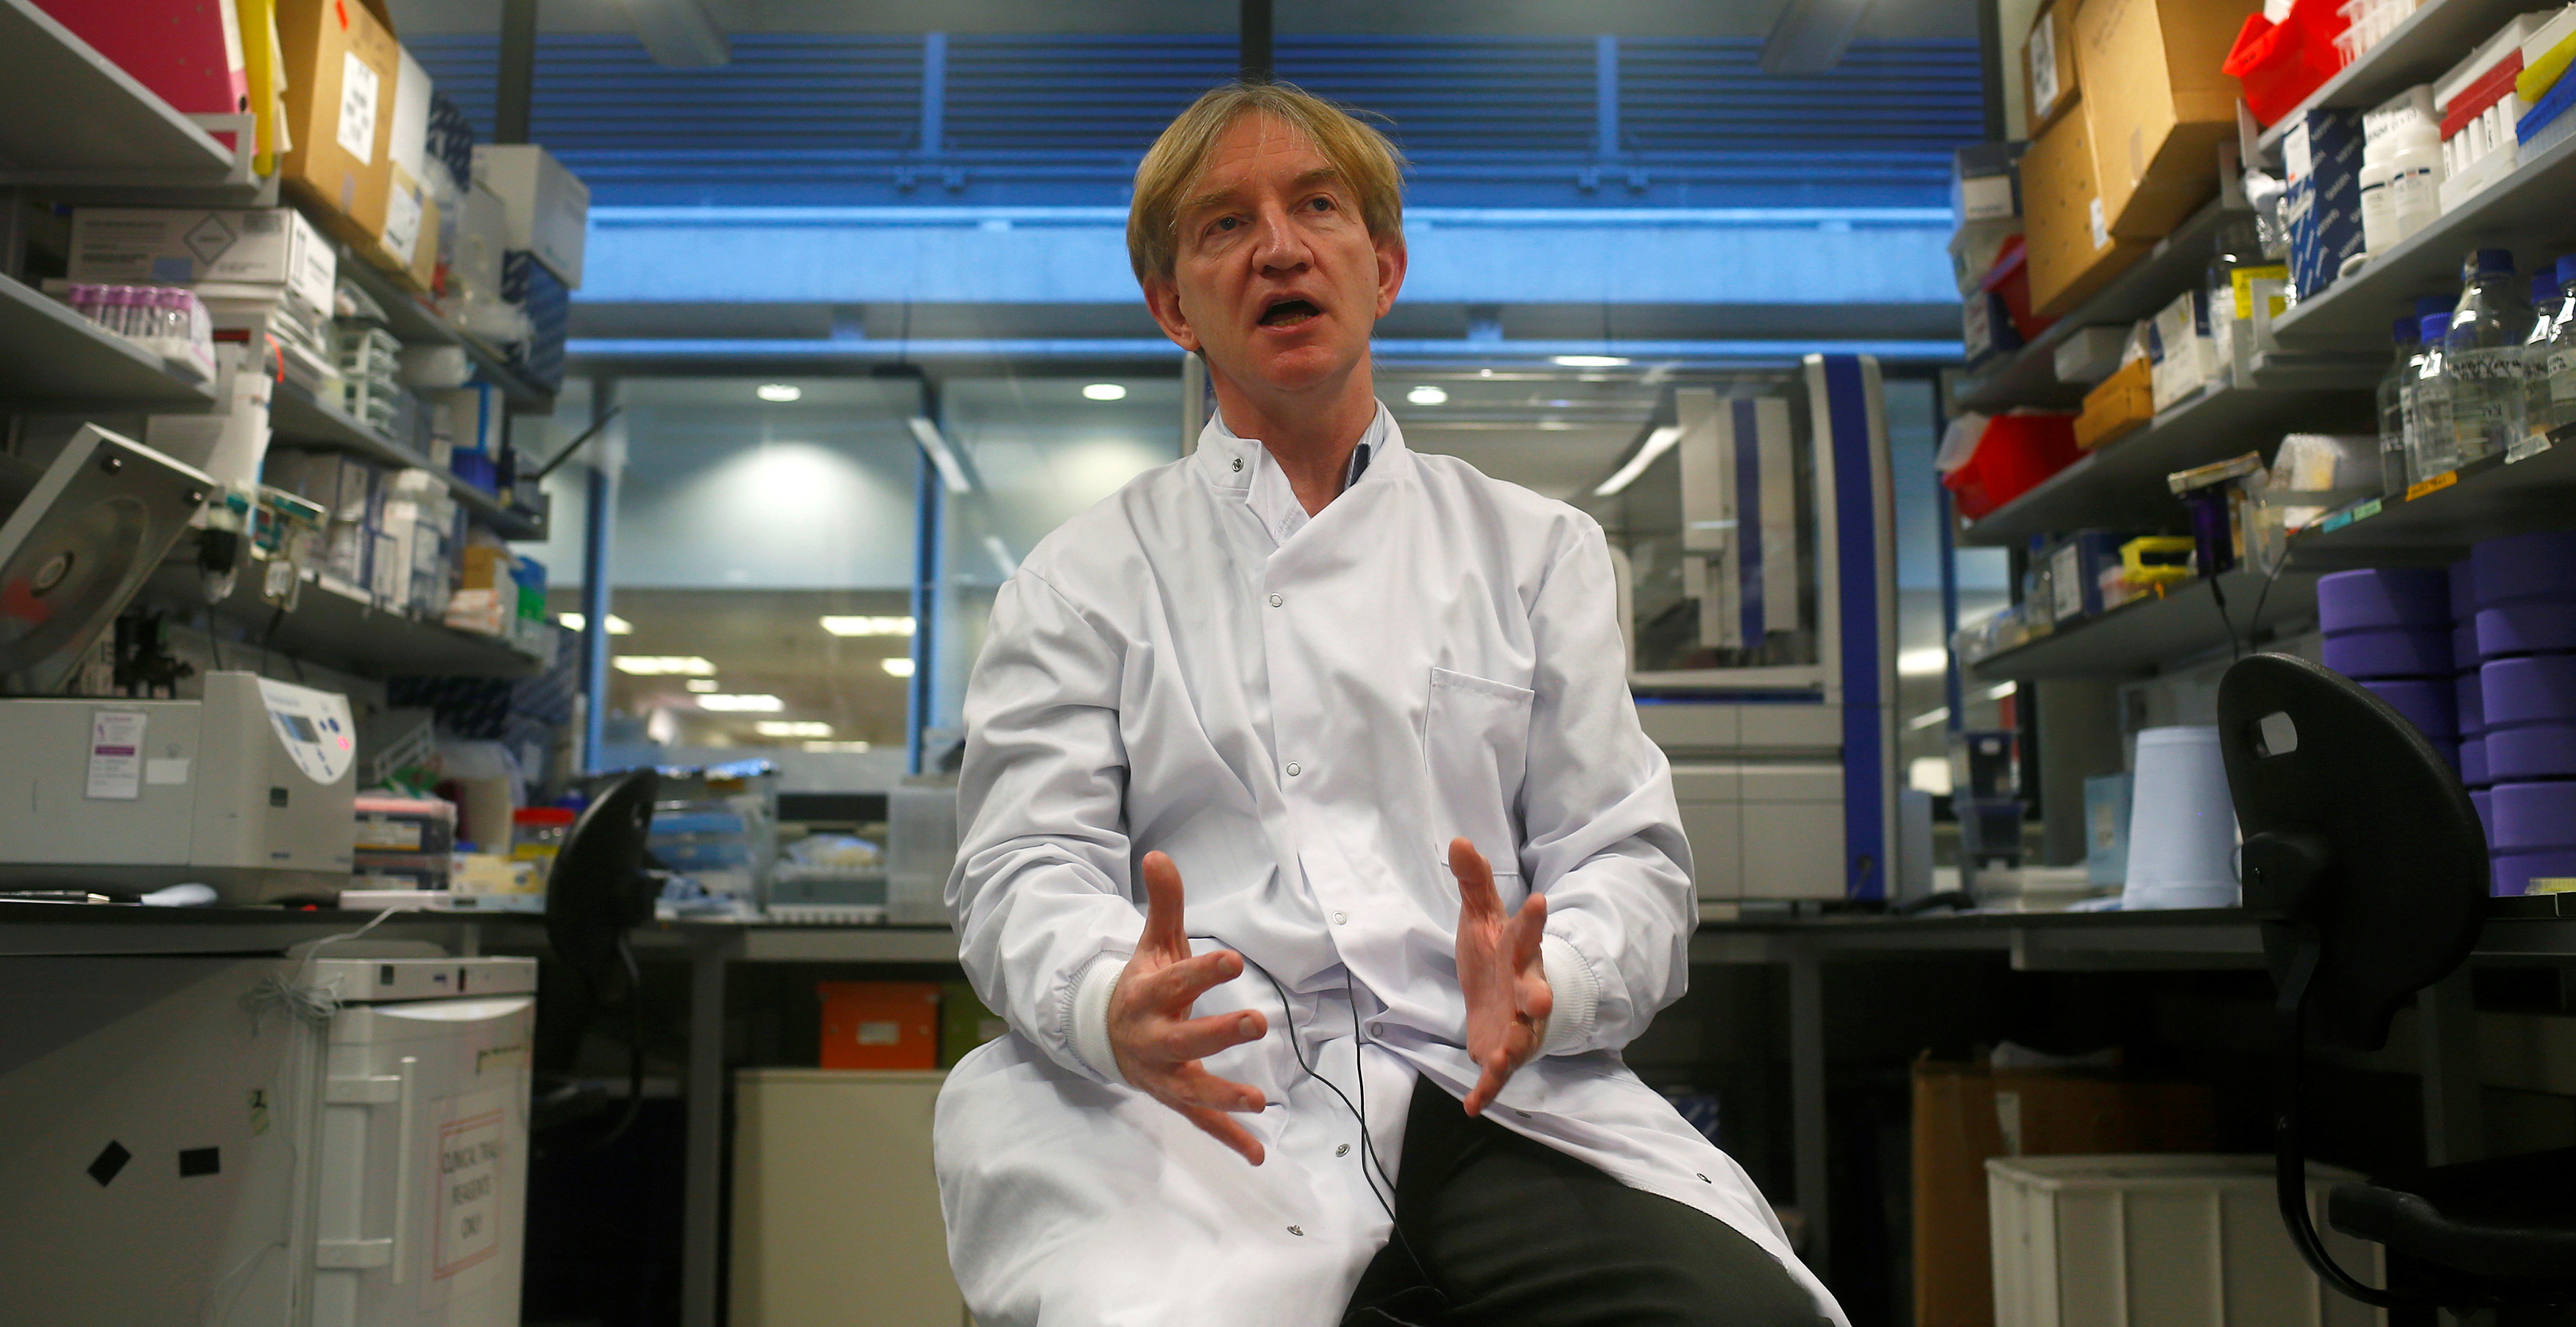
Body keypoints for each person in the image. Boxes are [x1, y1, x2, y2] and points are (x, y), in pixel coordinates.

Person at [933, 79, 1844, 1327]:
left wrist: (1551, 983)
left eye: (1318, 207)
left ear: (1386, 266)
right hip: (1204, 1108)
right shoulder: (1081, 579)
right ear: (1171, 308)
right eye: (1221, 225)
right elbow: (1020, 867)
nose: (1280, 246)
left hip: (1492, 1091)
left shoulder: (1535, 552)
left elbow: (1628, 865)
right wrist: (1110, 995)